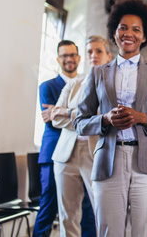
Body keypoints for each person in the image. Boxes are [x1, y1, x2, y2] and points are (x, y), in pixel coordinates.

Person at [74, 0, 147, 237]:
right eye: (123, 27)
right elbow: (80, 122)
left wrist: (142, 117)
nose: (128, 33)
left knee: (146, 231)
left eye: (136, 29)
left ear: (144, 36)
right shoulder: (98, 73)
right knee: (109, 231)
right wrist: (105, 119)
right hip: (108, 161)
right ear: (114, 32)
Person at [49, 36, 112, 236]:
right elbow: (55, 119)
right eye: (89, 52)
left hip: (96, 153)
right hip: (65, 155)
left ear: (109, 55)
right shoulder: (74, 83)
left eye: (98, 51)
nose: (93, 55)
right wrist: (88, 117)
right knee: (68, 215)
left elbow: (107, 118)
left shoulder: (114, 84)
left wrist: (68, 112)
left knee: (102, 211)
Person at [35, 40, 96, 237]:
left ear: (78, 58)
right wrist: (84, 117)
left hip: (85, 153)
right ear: (58, 59)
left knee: (86, 209)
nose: (69, 59)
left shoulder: (87, 83)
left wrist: (63, 112)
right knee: (49, 205)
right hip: (55, 152)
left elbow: (93, 116)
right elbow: (51, 122)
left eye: (72, 55)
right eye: (64, 56)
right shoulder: (48, 86)